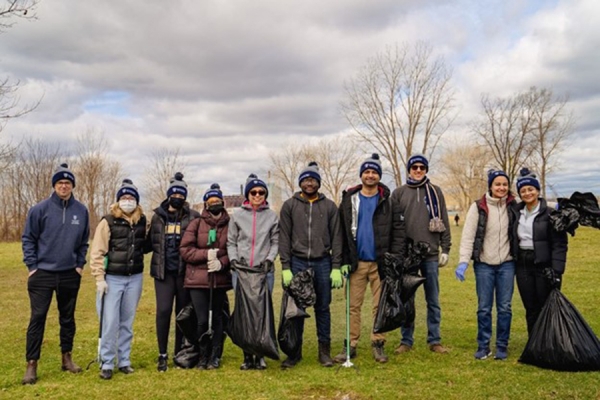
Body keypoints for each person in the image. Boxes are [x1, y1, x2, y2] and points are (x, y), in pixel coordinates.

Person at [21, 163, 90, 385]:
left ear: (72, 186)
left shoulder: (81, 211)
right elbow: (28, 238)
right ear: (54, 185)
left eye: (67, 183)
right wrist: (32, 266)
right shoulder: (39, 210)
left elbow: (83, 242)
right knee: (37, 318)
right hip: (42, 274)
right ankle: (31, 364)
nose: (63, 186)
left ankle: (66, 357)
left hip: (69, 273)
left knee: (67, 318)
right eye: (60, 183)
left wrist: (79, 265)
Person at [333, 153, 405, 363]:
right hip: (356, 264)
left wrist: (395, 259)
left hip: (380, 264)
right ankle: (351, 344)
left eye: (374, 172)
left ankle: (378, 343)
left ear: (379, 176)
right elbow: (342, 234)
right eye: (367, 172)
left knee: (379, 306)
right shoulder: (349, 201)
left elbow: (398, 233)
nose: (370, 175)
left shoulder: (389, 203)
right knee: (352, 306)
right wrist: (343, 262)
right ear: (361, 175)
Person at [278, 162, 343, 368]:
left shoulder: (329, 206)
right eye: (306, 180)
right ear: (300, 183)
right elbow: (284, 238)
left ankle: (324, 352)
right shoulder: (290, 206)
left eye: (313, 180)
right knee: (296, 310)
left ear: (318, 183)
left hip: (322, 262)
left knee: (322, 308)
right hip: (297, 262)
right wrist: (286, 267)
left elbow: (337, 238)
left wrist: (336, 266)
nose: (309, 183)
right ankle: (294, 353)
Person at [391, 154, 451, 355]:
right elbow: (393, 225)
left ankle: (434, 339)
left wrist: (446, 248)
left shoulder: (435, 192)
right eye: (414, 167)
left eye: (422, 167)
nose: (418, 170)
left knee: (432, 299)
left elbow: (444, 219)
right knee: (407, 299)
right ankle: (406, 339)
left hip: (431, 255)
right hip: (408, 256)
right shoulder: (398, 193)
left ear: (426, 170)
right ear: (409, 169)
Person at [455, 169, 517, 360]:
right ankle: (483, 345)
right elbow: (468, 235)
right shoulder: (478, 207)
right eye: (497, 184)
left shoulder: (514, 205)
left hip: (507, 264)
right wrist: (463, 261)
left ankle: (501, 345)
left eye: (504, 184)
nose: (501, 187)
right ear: (490, 186)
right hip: (484, 265)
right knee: (484, 307)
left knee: (504, 307)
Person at [90, 179, 147, 380]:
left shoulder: (142, 221)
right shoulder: (107, 221)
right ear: (118, 200)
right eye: (124, 197)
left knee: (127, 322)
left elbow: (143, 245)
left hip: (135, 278)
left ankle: (124, 360)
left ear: (137, 201)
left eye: (131, 197)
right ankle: (106, 361)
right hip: (112, 278)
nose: (127, 200)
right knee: (110, 321)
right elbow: (97, 251)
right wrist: (99, 278)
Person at [148, 172, 200, 372]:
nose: (178, 198)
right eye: (175, 194)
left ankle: (180, 351)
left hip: (184, 273)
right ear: (169, 195)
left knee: (182, 314)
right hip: (163, 274)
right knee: (163, 311)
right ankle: (162, 354)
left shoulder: (192, 216)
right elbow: (146, 243)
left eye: (182, 195)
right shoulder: (157, 217)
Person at [227, 174, 279, 370]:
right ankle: (247, 355)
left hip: (263, 270)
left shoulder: (272, 216)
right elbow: (231, 241)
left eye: (261, 192)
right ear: (247, 194)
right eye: (254, 192)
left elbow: (275, 242)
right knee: (243, 313)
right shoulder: (238, 216)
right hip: (241, 271)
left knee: (261, 312)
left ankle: (261, 353)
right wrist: (233, 259)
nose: (258, 195)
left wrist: (268, 260)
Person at [510, 168, 568, 336]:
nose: (527, 193)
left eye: (530, 189)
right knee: (530, 306)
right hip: (523, 264)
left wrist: (557, 271)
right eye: (523, 190)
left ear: (537, 190)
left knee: (545, 305)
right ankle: (534, 343)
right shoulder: (516, 212)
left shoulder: (551, 213)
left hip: (544, 264)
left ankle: (549, 343)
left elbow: (560, 244)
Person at [180, 184, 232, 370]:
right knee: (202, 319)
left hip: (219, 279)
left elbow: (233, 250)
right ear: (205, 204)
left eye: (217, 201)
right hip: (197, 280)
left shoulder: (230, 225)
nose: (215, 204)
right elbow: (185, 250)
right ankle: (203, 354)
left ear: (223, 203)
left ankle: (215, 355)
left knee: (217, 318)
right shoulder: (196, 224)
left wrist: (222, 262)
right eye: (211, 202)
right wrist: (206, 255)